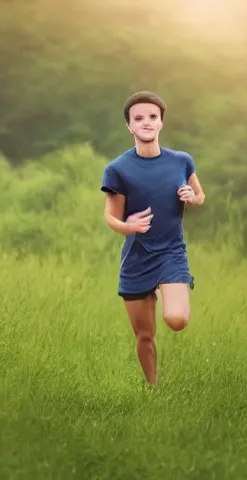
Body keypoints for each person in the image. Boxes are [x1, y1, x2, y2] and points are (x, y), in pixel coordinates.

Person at [100, 91, 206, 386]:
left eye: (152, 117)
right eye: (139, 118)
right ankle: (153, 389)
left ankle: (166, 286)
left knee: (176, 319)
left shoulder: (181, 161)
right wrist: (128, 225)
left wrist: (191, 196)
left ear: (161, 123)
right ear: (130, 127)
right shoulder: (118, 169)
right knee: (145, 336)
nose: (146, 122)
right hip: (136, 258)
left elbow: (199, 194)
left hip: (172, 253)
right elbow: (111, 216)